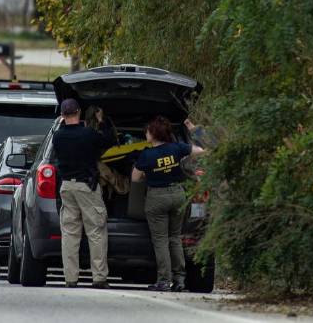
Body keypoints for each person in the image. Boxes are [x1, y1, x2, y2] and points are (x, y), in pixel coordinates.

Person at [132, 116, 205, 292]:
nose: (146, 134)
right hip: (178, 194)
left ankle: (164, 280)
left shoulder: (146, 155)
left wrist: (148, 173)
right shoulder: (177, 148)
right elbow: (201, 150)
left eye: (147, 131)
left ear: (154, 133)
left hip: (157, 197)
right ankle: (179, 280)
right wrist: (194, 129)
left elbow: (135, 178)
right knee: (175, 237)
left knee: (161, 240)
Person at [53, 98, 117, 288]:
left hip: (67, 187)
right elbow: (109, 140)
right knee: (95, 231)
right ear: (79, 112)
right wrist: (102, 121)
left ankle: (70, 278)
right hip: (86, 187)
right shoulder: (88, 134)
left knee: (70, 234)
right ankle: (99, 278)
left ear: (62, 115)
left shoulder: (57, 136)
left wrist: (61, 123)